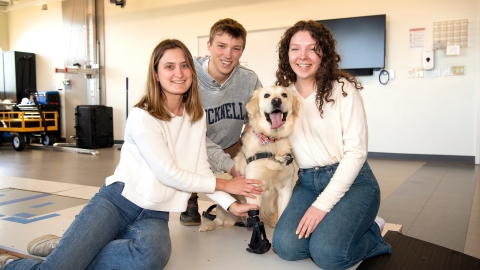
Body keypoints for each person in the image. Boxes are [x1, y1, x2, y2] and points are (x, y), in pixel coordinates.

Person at [0, 39, 262, 270]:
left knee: (150, 258)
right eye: (169, 66)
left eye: (184, 65)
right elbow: (168, 173)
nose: (179, 73)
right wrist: (226, 183)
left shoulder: (196, 116)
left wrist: (231, 204)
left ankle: (68, 250)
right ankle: (17, 264)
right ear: (156, 74)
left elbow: (200, 169)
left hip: (155, 213)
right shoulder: (143, 116)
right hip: (117, 202)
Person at [271, 20, 392, 269]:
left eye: (312, 48)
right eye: (295, 48)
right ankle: (340, 226)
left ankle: (372, 234)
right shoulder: (282, 96)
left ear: (323, 53)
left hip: (354, 182)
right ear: (287, 54)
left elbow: (356, 153)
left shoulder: (343, 90)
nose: (303, 56)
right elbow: (271, 134)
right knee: (286, 247)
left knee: (328, 255)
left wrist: (321, 207)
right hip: (307, 183)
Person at [180, 18, 263, 226]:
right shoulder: (188, 79)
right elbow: (192, 134)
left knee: (258, 154)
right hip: (196, 144)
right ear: (209, 46)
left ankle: (250, 200)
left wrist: (248, 141)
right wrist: (229, 165)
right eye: (221, 46)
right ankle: (190, 197)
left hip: (232, 142)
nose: (228, 55)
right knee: (183, 150)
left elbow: (259, 116)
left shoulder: (249, 79)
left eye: (236, 49)